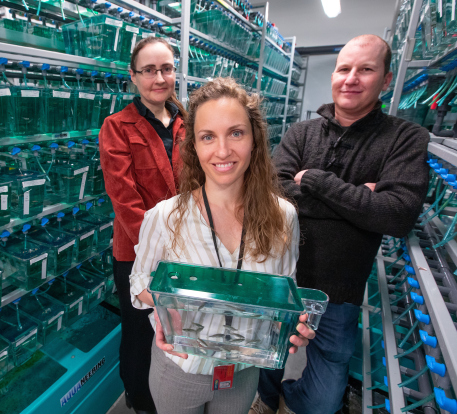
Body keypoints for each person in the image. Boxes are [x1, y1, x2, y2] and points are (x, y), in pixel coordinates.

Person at [250, 35, 430, 414]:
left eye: (365, 69)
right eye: (344, 69)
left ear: (385, 79)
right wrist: (359, 201)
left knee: (322, 401)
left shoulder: (405, 138)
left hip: (340, 289)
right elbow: (271, 193)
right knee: (264, 357)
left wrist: (314, 180)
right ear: (333, 75)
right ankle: (265, 400)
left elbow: (396, 214)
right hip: (280, 274)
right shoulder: (302, 132)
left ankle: (291, 400)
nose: (351, 78)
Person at [128, 77, 315, 414]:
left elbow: (285, 291)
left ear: (254, 140)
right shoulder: (165, 217)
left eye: (236, 133)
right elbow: (139, 283)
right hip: (180, 369)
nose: (223, 150)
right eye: (208, 137)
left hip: (243, 373)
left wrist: (289, 324)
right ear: (194, 147)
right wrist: (163, 306)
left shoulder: (283, 216)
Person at [99, 36, 186, 414]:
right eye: (149, 70)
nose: (159, 77)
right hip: (136, 254)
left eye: (166, 68)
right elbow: (125, 200)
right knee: (138, 333)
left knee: (175, 329)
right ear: (133, 77)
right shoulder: (117, 127)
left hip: (187, 250)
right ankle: (140, 401)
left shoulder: (188, 123)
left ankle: (172, 396)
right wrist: (162, 252)